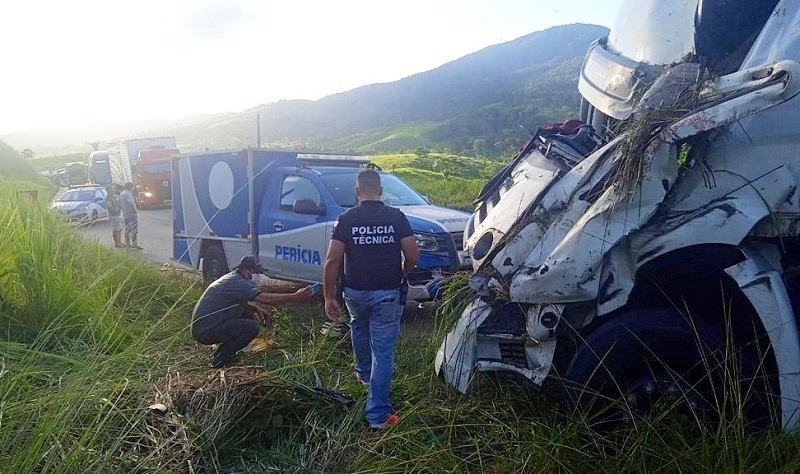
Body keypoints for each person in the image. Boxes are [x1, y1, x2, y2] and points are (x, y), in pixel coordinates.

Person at [323, 168, 419, 429]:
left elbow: (333, 260)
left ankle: (364, 373)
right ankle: (377, 415)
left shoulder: (346, 219)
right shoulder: (396, 217)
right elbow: (412, 253)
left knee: (358, 327)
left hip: (354, 292)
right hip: (387, 294)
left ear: (357, 192)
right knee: (384, 353)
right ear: (380, 190)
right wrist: (404, 270)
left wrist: (328, 296)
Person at [191, 255, 314, 368]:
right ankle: (220, 360)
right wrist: (295, 297)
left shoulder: (233, 278)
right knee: (251, 327)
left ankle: (223, 353)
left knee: (248, 314)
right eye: (256, 272)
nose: (258, 276)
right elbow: (266, 299)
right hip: (205, 331)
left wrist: (255, 308)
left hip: (206, 325)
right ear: (245, 270)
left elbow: (230, 302)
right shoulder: (239, 283)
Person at [119, 182, 141, 250]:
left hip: (125, 214)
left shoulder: (122, 194)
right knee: (134, 230)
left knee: (127, 229)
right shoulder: (128, 194)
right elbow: (131, 203)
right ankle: (134, 245)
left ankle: (128, 245)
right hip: (131, 214)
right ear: (130, 187)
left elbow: (119, 203)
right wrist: (134, 211)